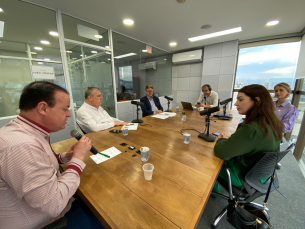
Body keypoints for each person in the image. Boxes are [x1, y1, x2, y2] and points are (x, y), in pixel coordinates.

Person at [0, 81, 92, 229]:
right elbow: (53, 205)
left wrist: (68, 156)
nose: (69, 114)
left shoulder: (24, 130)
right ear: (43, 108)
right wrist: (78, 158)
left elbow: (43, 162)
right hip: (47, 222)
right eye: (65, 109)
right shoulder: (22, 145)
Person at [213, 84, 284, 192]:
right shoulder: (272, 123)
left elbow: (221, 152)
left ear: (257, 100)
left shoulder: (252, 129)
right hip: (262, 175)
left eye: (240, 100)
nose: (236, 103)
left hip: (244, 177)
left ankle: (212, 191)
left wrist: (221, 140)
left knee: (207, 160)